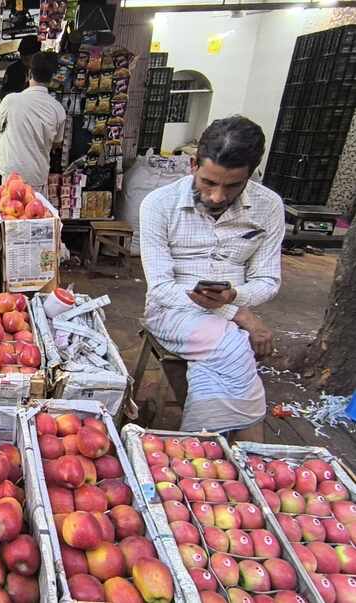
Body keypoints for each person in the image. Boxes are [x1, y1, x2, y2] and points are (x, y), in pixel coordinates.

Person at [140, 116, 285, 442]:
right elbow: (162, 288)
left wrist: (233, 299)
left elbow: (267, 280)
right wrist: (239, 313)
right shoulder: (159, 205)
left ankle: (199, 454)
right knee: (232, 346)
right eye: (209, 182)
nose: (218, 196)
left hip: (230, 314)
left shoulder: (269, 207)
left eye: (233, 186)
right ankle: (245, 452)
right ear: (193, 165)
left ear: (252, 174)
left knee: (223, 352)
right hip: (172, 312)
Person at [0, 52, 66, 193]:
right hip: (37, 175)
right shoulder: (58, 109)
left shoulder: (11, 100)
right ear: (52, 78)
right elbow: (57, 143)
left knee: (10, 210)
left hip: (11, 174)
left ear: (29, 73)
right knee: (36, 212)